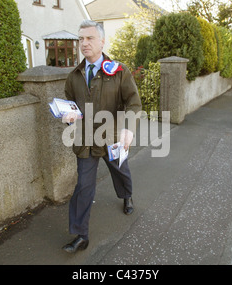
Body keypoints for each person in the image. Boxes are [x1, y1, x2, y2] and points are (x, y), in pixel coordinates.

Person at [61, 20, 142, 253]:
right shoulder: (74, 75)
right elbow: (70, 105)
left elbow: (133, 103)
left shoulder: (119, 71)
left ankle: (127, 195)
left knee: (120, 170)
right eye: (80, 39)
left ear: (102, 41)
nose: (84, 43)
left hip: (112, 137)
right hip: (85, 140)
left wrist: (128, 127)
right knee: (83, 186)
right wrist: (67, 116)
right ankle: (80, 235)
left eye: (90, 38)